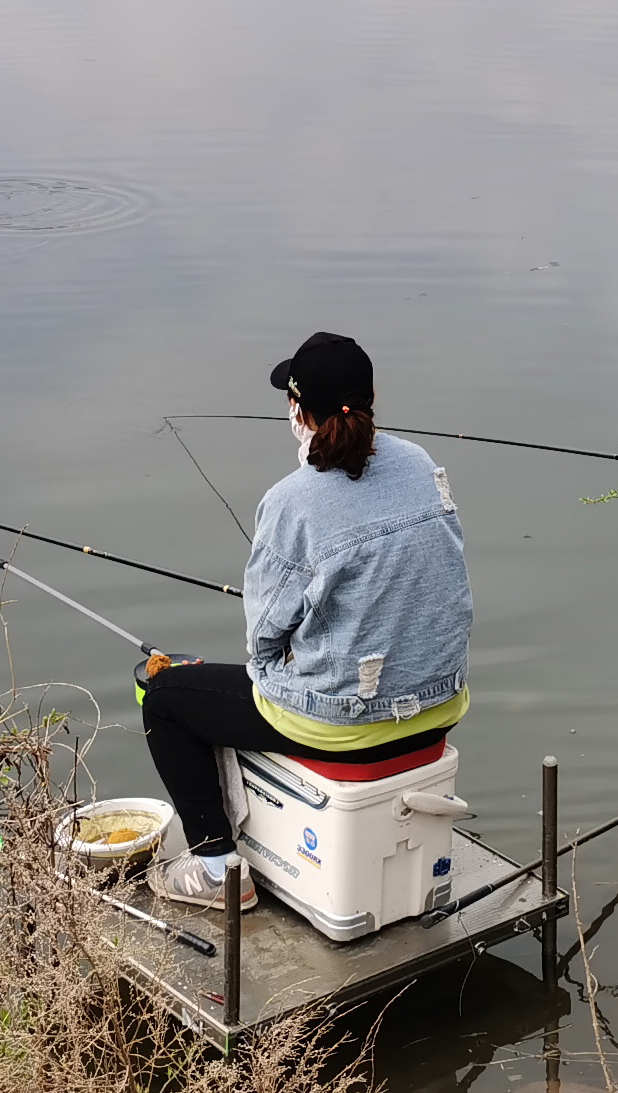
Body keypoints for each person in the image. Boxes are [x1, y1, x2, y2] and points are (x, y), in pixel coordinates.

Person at [140, 330, 473, 910]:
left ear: (298, 411)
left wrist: (279, 664)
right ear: (370, 400)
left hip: (343, 725)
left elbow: (262, 638)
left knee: (164, 694)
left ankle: (219, 872)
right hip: (439, 705)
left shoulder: (292, 499)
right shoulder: (421, 464)